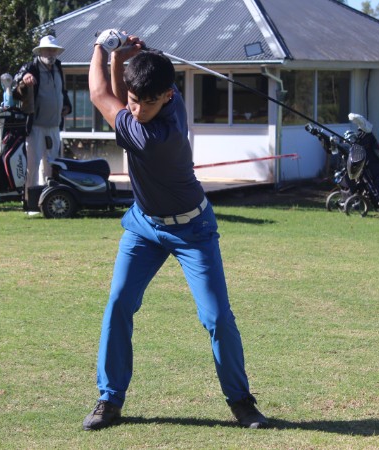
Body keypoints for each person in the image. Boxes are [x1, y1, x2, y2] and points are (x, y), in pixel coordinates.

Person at [82, 30, 268, 431]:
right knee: (118, 303)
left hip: (192, 229)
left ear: (167, 96)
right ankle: (109, 399)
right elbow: (124, 92)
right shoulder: (163, 99)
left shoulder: (153, 136)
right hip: (144, 225)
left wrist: (100, 46)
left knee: (216, 317)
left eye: (147, 103)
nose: (137, 110)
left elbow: (100, 94)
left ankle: (241, 402)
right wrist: (124, 57)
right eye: (134, 101)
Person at [13, 35, 72, 208]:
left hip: (54, 126)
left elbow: (62, 91)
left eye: (53, 50)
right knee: (33, 165)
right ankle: (29, 203)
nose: (51, 53)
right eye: (48, 50)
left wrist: (67, 106)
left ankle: (47, 203)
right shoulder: (31, 67)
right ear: (40, 52)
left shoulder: (58, 67)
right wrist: (24, 78)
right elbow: (17, 83)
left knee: (51, 166)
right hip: (36, 127)